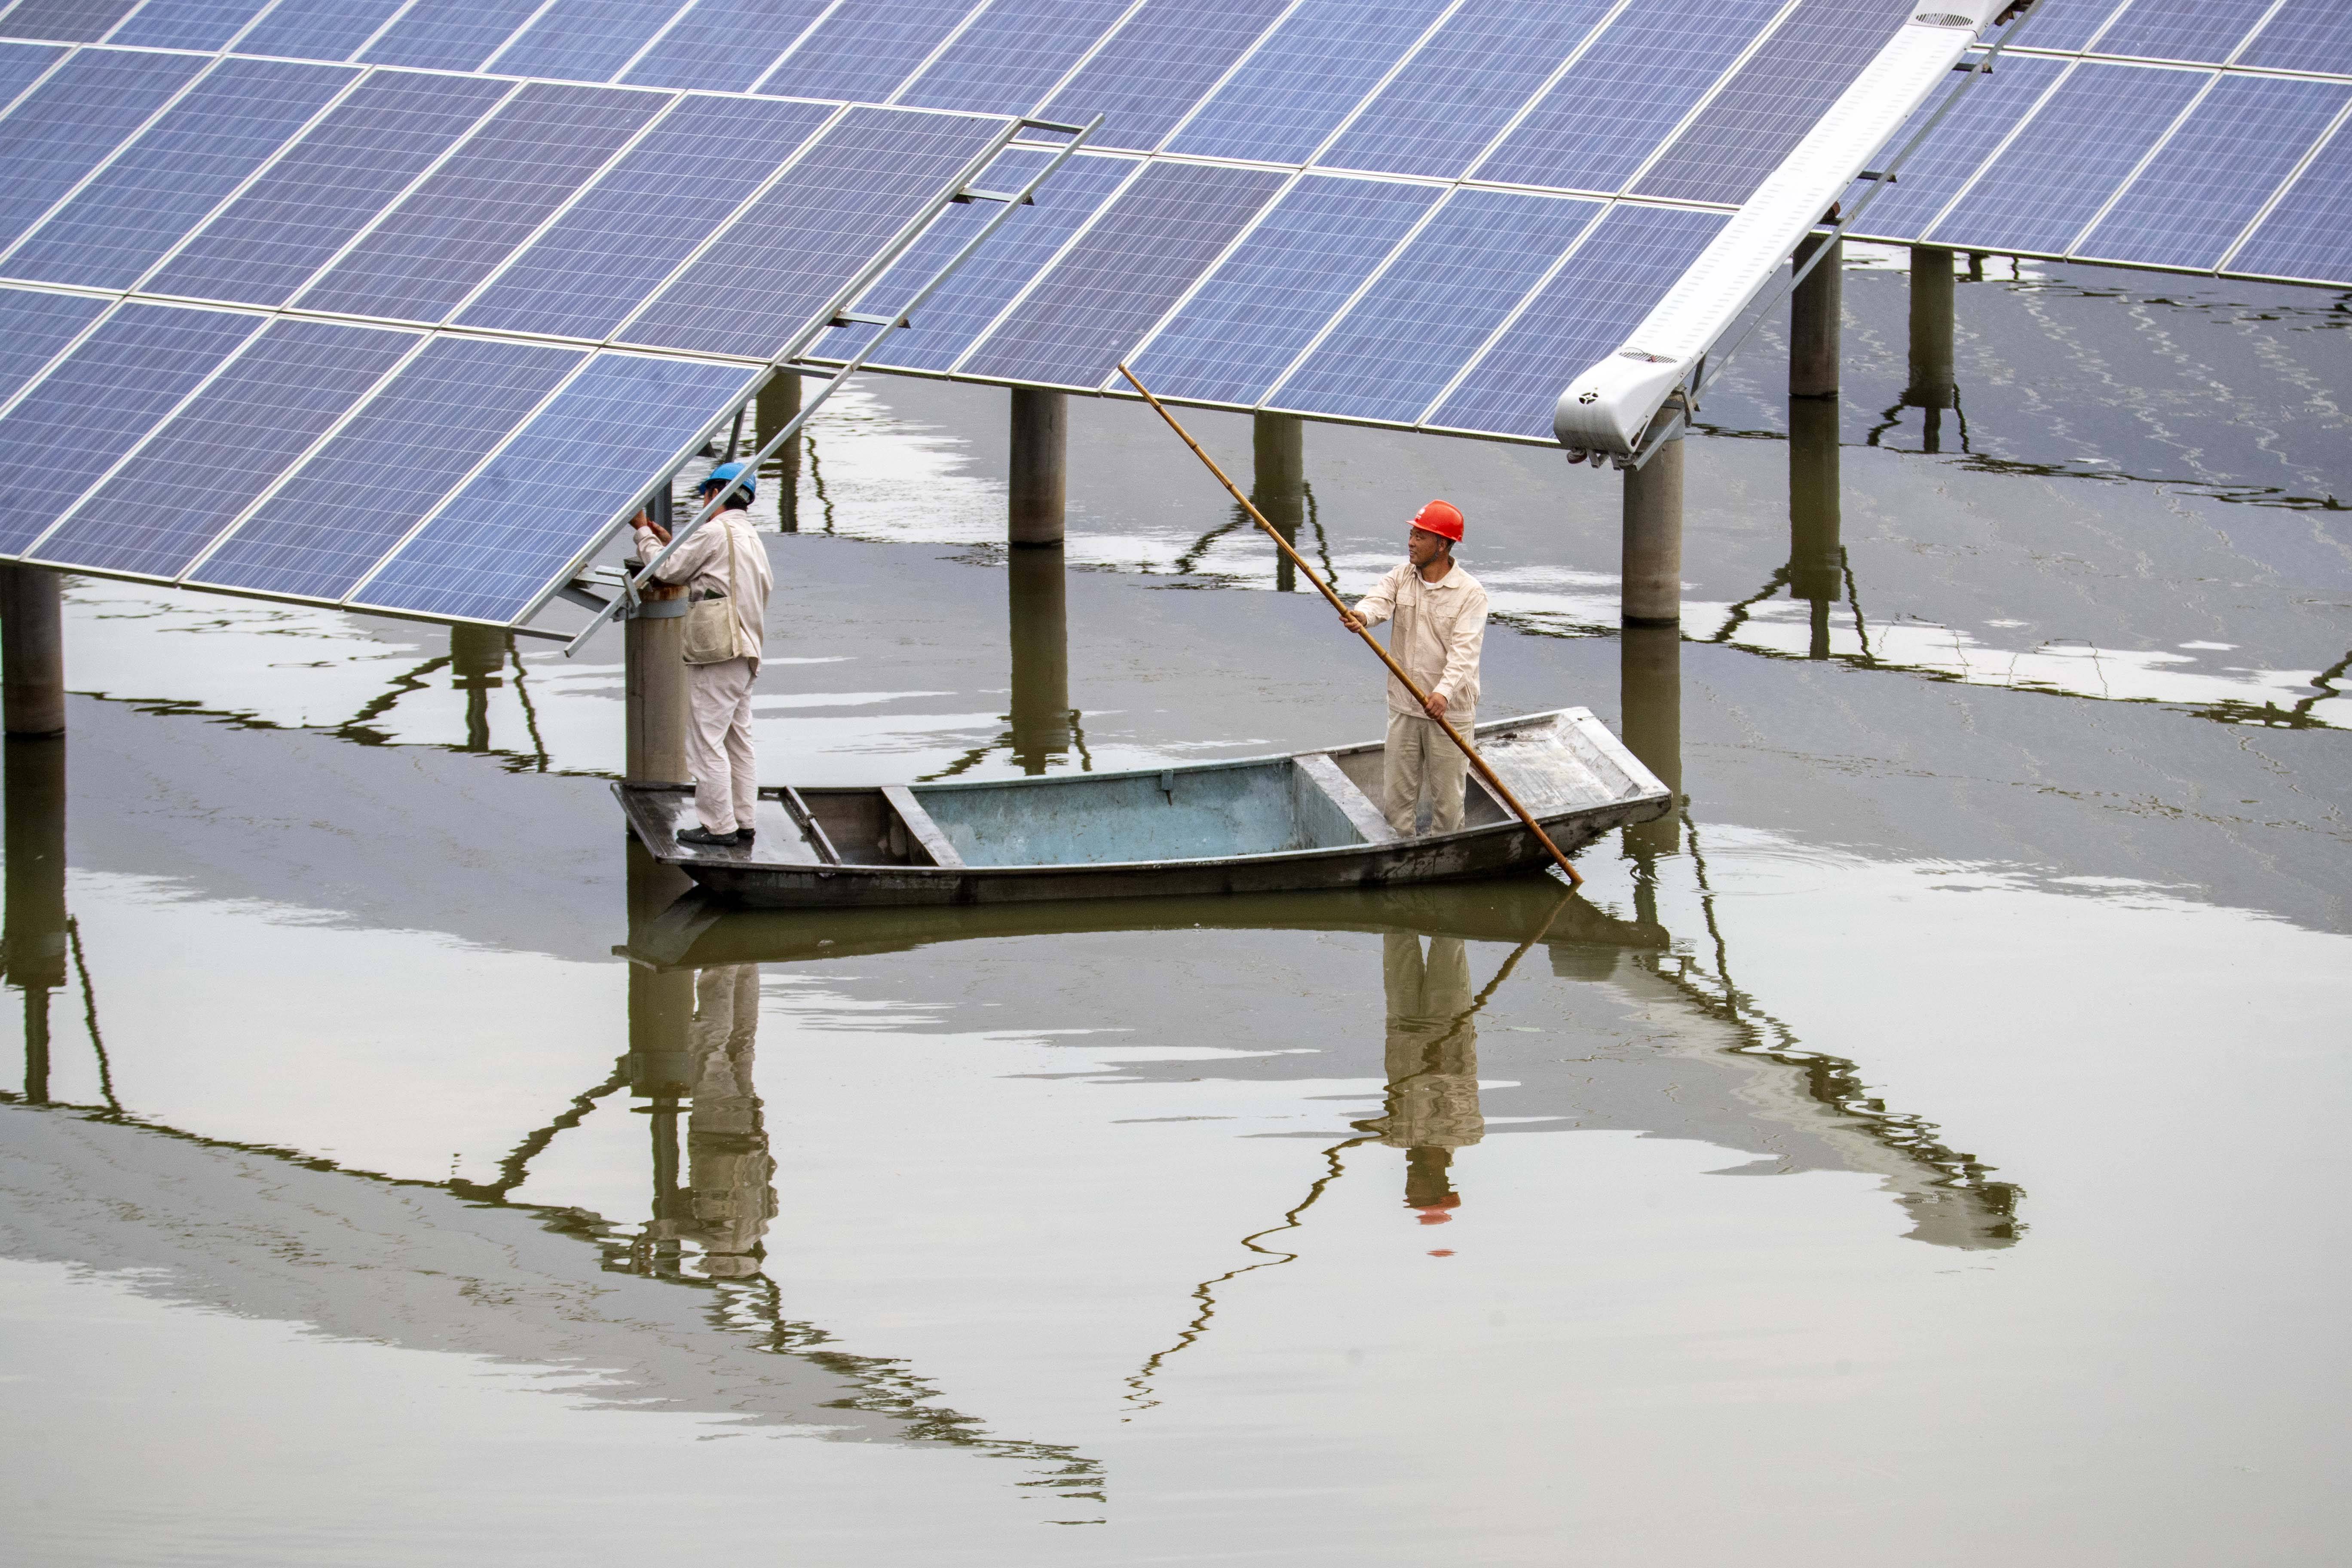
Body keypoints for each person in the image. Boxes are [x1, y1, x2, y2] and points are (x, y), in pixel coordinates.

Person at [634, 462, 774, 847]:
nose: (703, 503)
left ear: (717, 493)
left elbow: (667, 571)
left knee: (705, 742)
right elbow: (706, 570)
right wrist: (669, 541)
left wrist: (644, 532)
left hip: (719, 652)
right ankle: (744, 822)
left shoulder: (715, 532)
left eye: (705, 496)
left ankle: (718, 828)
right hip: (747, 652)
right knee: (738, 741)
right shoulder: (750, 538)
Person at [1337, 499, 1488, 837]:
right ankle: (1401, 858)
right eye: (1411, 535)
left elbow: (1465, 654)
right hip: (1406, 705)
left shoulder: (1470, 593)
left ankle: (1446, 856)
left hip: (1448, 712)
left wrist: (1443, 694)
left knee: (1448, 803)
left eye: (1421, 537)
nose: (1411, 543)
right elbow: (1379, 600)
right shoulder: (1401, 577)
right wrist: (1362, 616)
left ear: (1443, 544)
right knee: (1397, 800)